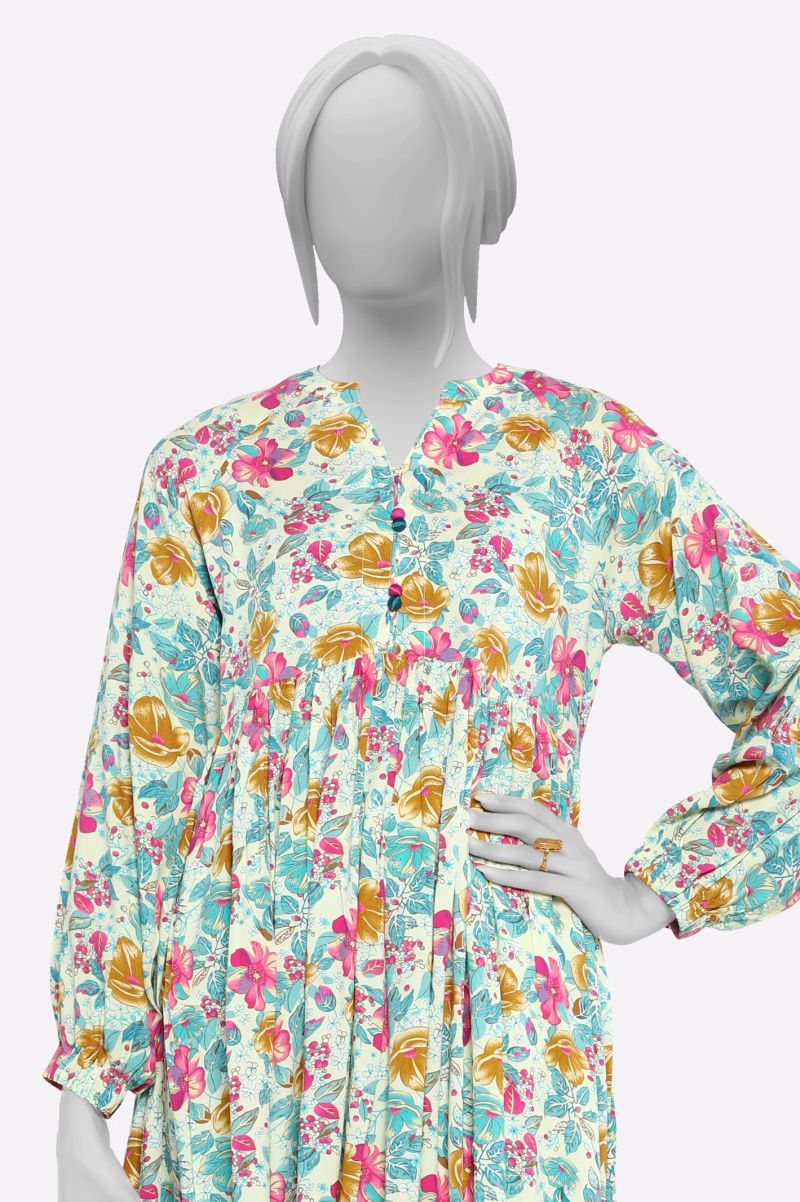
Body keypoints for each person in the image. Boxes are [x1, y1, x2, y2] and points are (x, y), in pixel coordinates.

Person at [46, 34, 800, 1202]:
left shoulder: (583, 460)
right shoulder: (211, 473)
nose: (366, 198)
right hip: (248, 1066)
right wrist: (86, 1098)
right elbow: (137, 792)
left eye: (409, 166)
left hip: (501, 1070)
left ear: (482, 196)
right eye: (332, 169)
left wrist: (646, 891)